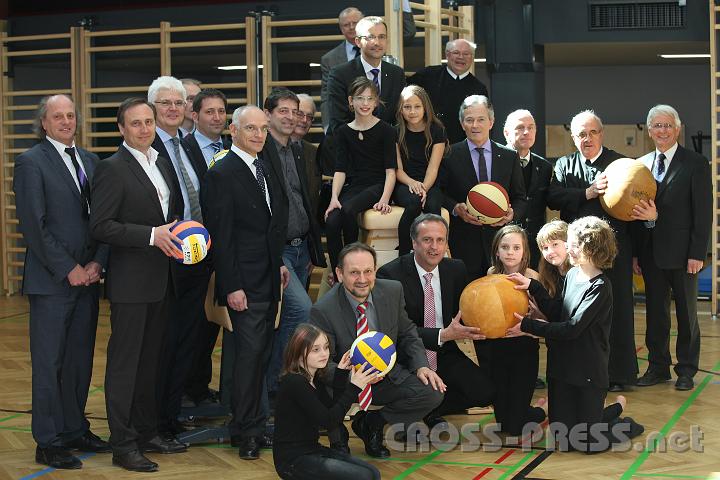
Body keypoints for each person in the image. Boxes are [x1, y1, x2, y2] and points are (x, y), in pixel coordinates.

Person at [14, 94, 109, 469]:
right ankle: (49, 440)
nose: (66, 122)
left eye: (71, 115)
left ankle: (74, 428)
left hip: (88, 279)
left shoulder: (91, 161)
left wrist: (97, 263)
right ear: (44, 123)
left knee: (79, 362)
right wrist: (69, 267)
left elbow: (101, 221)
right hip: (53, 281)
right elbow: (33, 227)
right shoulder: (31, 162)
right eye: (58, 116)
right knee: (49, 363)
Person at [90, 98, 186, 472]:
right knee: (125, 367)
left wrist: (182, 233)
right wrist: (150, 235)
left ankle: (147, 433)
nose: (145, 129)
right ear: (121, 129)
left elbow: (166, 216)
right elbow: (101, 225)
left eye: (149, 121)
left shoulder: (159, 161)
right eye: (136, 124)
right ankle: (123, 444)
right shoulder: (112, 168)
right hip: (131, 283)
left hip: (162, 279)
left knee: (150, 364)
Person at [508, 216, 643, 453]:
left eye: (570, 243)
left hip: (587, 373)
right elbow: (558, 313)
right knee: (563, 439)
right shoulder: (572, 275)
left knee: (588, 444)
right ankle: (609, 411)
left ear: (588, 247)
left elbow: (571, 328)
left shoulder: (600, 287)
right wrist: (533, 287)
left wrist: (528, 327)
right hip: (562, 371)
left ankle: (624, 424)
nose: (567, 247)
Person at [200, 105, 290, 460]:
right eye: (250, 129)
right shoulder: (221, 173)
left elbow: (268, 227)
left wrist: (278, 263)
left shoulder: (262, 166)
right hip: (242, 283)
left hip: (267, 277)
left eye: (263, 129)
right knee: (248, 357)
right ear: (233, 131)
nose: (258, 135)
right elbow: (221, 238)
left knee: (261, 354)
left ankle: (252, 421)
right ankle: (246, 431)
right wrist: (231, 286)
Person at [310, 242, 445, 458]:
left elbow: (407, 332)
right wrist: (354, 376)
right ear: (339, 273)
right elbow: (322, 365)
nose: (362, 279)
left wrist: (421, 365)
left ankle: (372, 424)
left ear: (375, 270)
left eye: (368, 271)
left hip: (386, 376)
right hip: (345, 383)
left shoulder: (392, 291)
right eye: (354, 273)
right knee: (320, 391)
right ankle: (338, 437)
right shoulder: (323, 310)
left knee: (433, 391)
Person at [546, 110, 637, 392]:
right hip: (577, 256)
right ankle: (582, 371)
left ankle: (620, 374)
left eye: (592, 132)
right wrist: (586, 193)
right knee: (577, 313)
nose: (587, 138)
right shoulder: (563, 164)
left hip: (615, 252)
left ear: (602, 133)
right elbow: (553, 197)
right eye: (581, 134)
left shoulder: (620, 164)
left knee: (619, 310)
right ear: (573, 138)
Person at [377, 214, 495, 426]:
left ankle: (427, 409)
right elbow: (396, 332)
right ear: (414, 242)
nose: (434, 247)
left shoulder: (456, 269)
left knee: (484, 391)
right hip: (407, 355)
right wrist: (443, 334)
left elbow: (469, 314)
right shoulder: (390, 275)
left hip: (444, 352)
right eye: (427, 240)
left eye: (440, 240)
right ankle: (406, 412)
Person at [148, 76, 212, 441]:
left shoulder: (185, 145)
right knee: (165, 343)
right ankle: (157, 420)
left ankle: (172, 415)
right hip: (165, 260)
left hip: (195, 258)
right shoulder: (149, 146)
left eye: (179, 102)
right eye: (165, 103)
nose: (174, 108)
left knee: (187, 339)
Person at [632, 104, 712, 391]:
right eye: (657, 125)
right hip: (651, 253)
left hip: (683, 255)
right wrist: (635, 255)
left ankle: (687, 369)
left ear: (677, 129)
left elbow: (703, 213)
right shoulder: (640, 165)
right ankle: (657, 367)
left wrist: (697, 254)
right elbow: (636, 215)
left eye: (668, 125)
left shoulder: (695, 164)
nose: (662, 130)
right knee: (656, 313)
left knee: (687, 315)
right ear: (650, 130)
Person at [263, 88, 327, 403]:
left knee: (290, 319)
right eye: (284, 111)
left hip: (302, 249)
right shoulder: (261, 151)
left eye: (295, 111)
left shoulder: (299, 150)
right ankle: (276, 383)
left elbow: (307, 201)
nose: (291, 117)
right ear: (268, 115)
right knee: (301, 310)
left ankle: (282, 383)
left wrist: (313, 249)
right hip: (278, 251)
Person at [273, 323, 381, 480]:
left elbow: (332, 412)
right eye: (316, 349)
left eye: (326, 347)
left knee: (373, 473)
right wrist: (354, 387)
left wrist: (341, 374)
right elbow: (328, 421)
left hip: (312, 449)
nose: (324, 354)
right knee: (363, 476)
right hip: (292, 460)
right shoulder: (294, 382)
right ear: (297, 352)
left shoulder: (314, 378)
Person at [439, 94, 526, 280]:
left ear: (491, 122)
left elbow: (520, 198)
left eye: (481, 119)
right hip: (463, 240)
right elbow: (439, 192)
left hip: (500, 243)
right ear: (462, 124)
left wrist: (512, 214)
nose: (475, 125)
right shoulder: (448, 155)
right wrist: (456, 208)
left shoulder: (510, 156)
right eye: (469, 120)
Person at [180, 88, 230, 407]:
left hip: (225, 251)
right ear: (194, 116)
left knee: (214, 324)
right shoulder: (182, 149)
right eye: (209, 112)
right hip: (194, 252)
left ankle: (199, 387)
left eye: (221, 111)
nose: (216, 117)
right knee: (192, 326)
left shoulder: (232, 147)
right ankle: (184, 390)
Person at [324, 77, 396, 279]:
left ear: (376, 102)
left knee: (349, 210)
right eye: (360, 98)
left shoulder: (387, 130)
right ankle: (338, 271)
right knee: (332, 220)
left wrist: (384, 199)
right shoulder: (343, 132)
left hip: (379, 185)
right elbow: (340, 170)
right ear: (350, 101)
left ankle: (352, 264)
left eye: (369, 98)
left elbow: (391, 171)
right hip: (355, 186)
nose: (365, 103)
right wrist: (334, 198)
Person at [485, 225, 546, 435]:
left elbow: (544, 320)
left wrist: (530, 323)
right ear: (497, 251)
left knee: (515, 429)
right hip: (499, 349)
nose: (510, 252)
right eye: (505, 247)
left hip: (524, 349)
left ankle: (539, 411)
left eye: (516, 247)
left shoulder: (533, 278)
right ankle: (524, 410)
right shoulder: (491, 274)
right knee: (503, 424)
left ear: (525, 252)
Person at [325, 16, 406, 134]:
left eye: (381, 37)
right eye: (371, 37)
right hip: (351, 146)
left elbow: (399, 118)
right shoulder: (340, 74)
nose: (377, 42)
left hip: (387, 146)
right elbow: (338, 122)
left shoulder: (397, 73)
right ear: (358, 42)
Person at [393, 85, 448, 255]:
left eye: (417, 107)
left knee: (432, 205)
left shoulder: (437, 131)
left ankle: (434, 252)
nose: (412, 111)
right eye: (407, 107)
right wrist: (413, 184)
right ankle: (404, 252)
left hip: (430, 183)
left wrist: (423, 188)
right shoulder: (395, 132)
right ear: (401, 109)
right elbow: (397, 170)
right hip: (405, 183)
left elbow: (433, 168)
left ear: (425, 108)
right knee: (414, 202)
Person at [408, 39, 489, 144]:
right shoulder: (426, 76)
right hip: (425, 142)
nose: (461, 57)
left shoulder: (479, 88)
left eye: (466, 54)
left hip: (460, 148)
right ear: (447, 55)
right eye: (456, 53)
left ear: (472, 57)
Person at [503, 109, 553, 269]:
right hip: (504, 246)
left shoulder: (544, 166)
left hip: (534, 246)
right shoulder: (496, 161)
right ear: (506, 132)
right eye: (520, 127)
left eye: (531, 127)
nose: (526, 132)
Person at [320, 6, 364, 132]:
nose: (351, 27)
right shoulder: (329, 59)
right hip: (342, 122)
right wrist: (328, 126)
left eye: (355, 23)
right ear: (341, 28)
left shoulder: (376, 50)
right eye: (346, 24)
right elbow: (326, 96)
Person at [292, 93, 322, 219]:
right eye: (300, 114)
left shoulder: (314, 152)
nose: (304, 120)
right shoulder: (269, 149)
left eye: (309, 117)